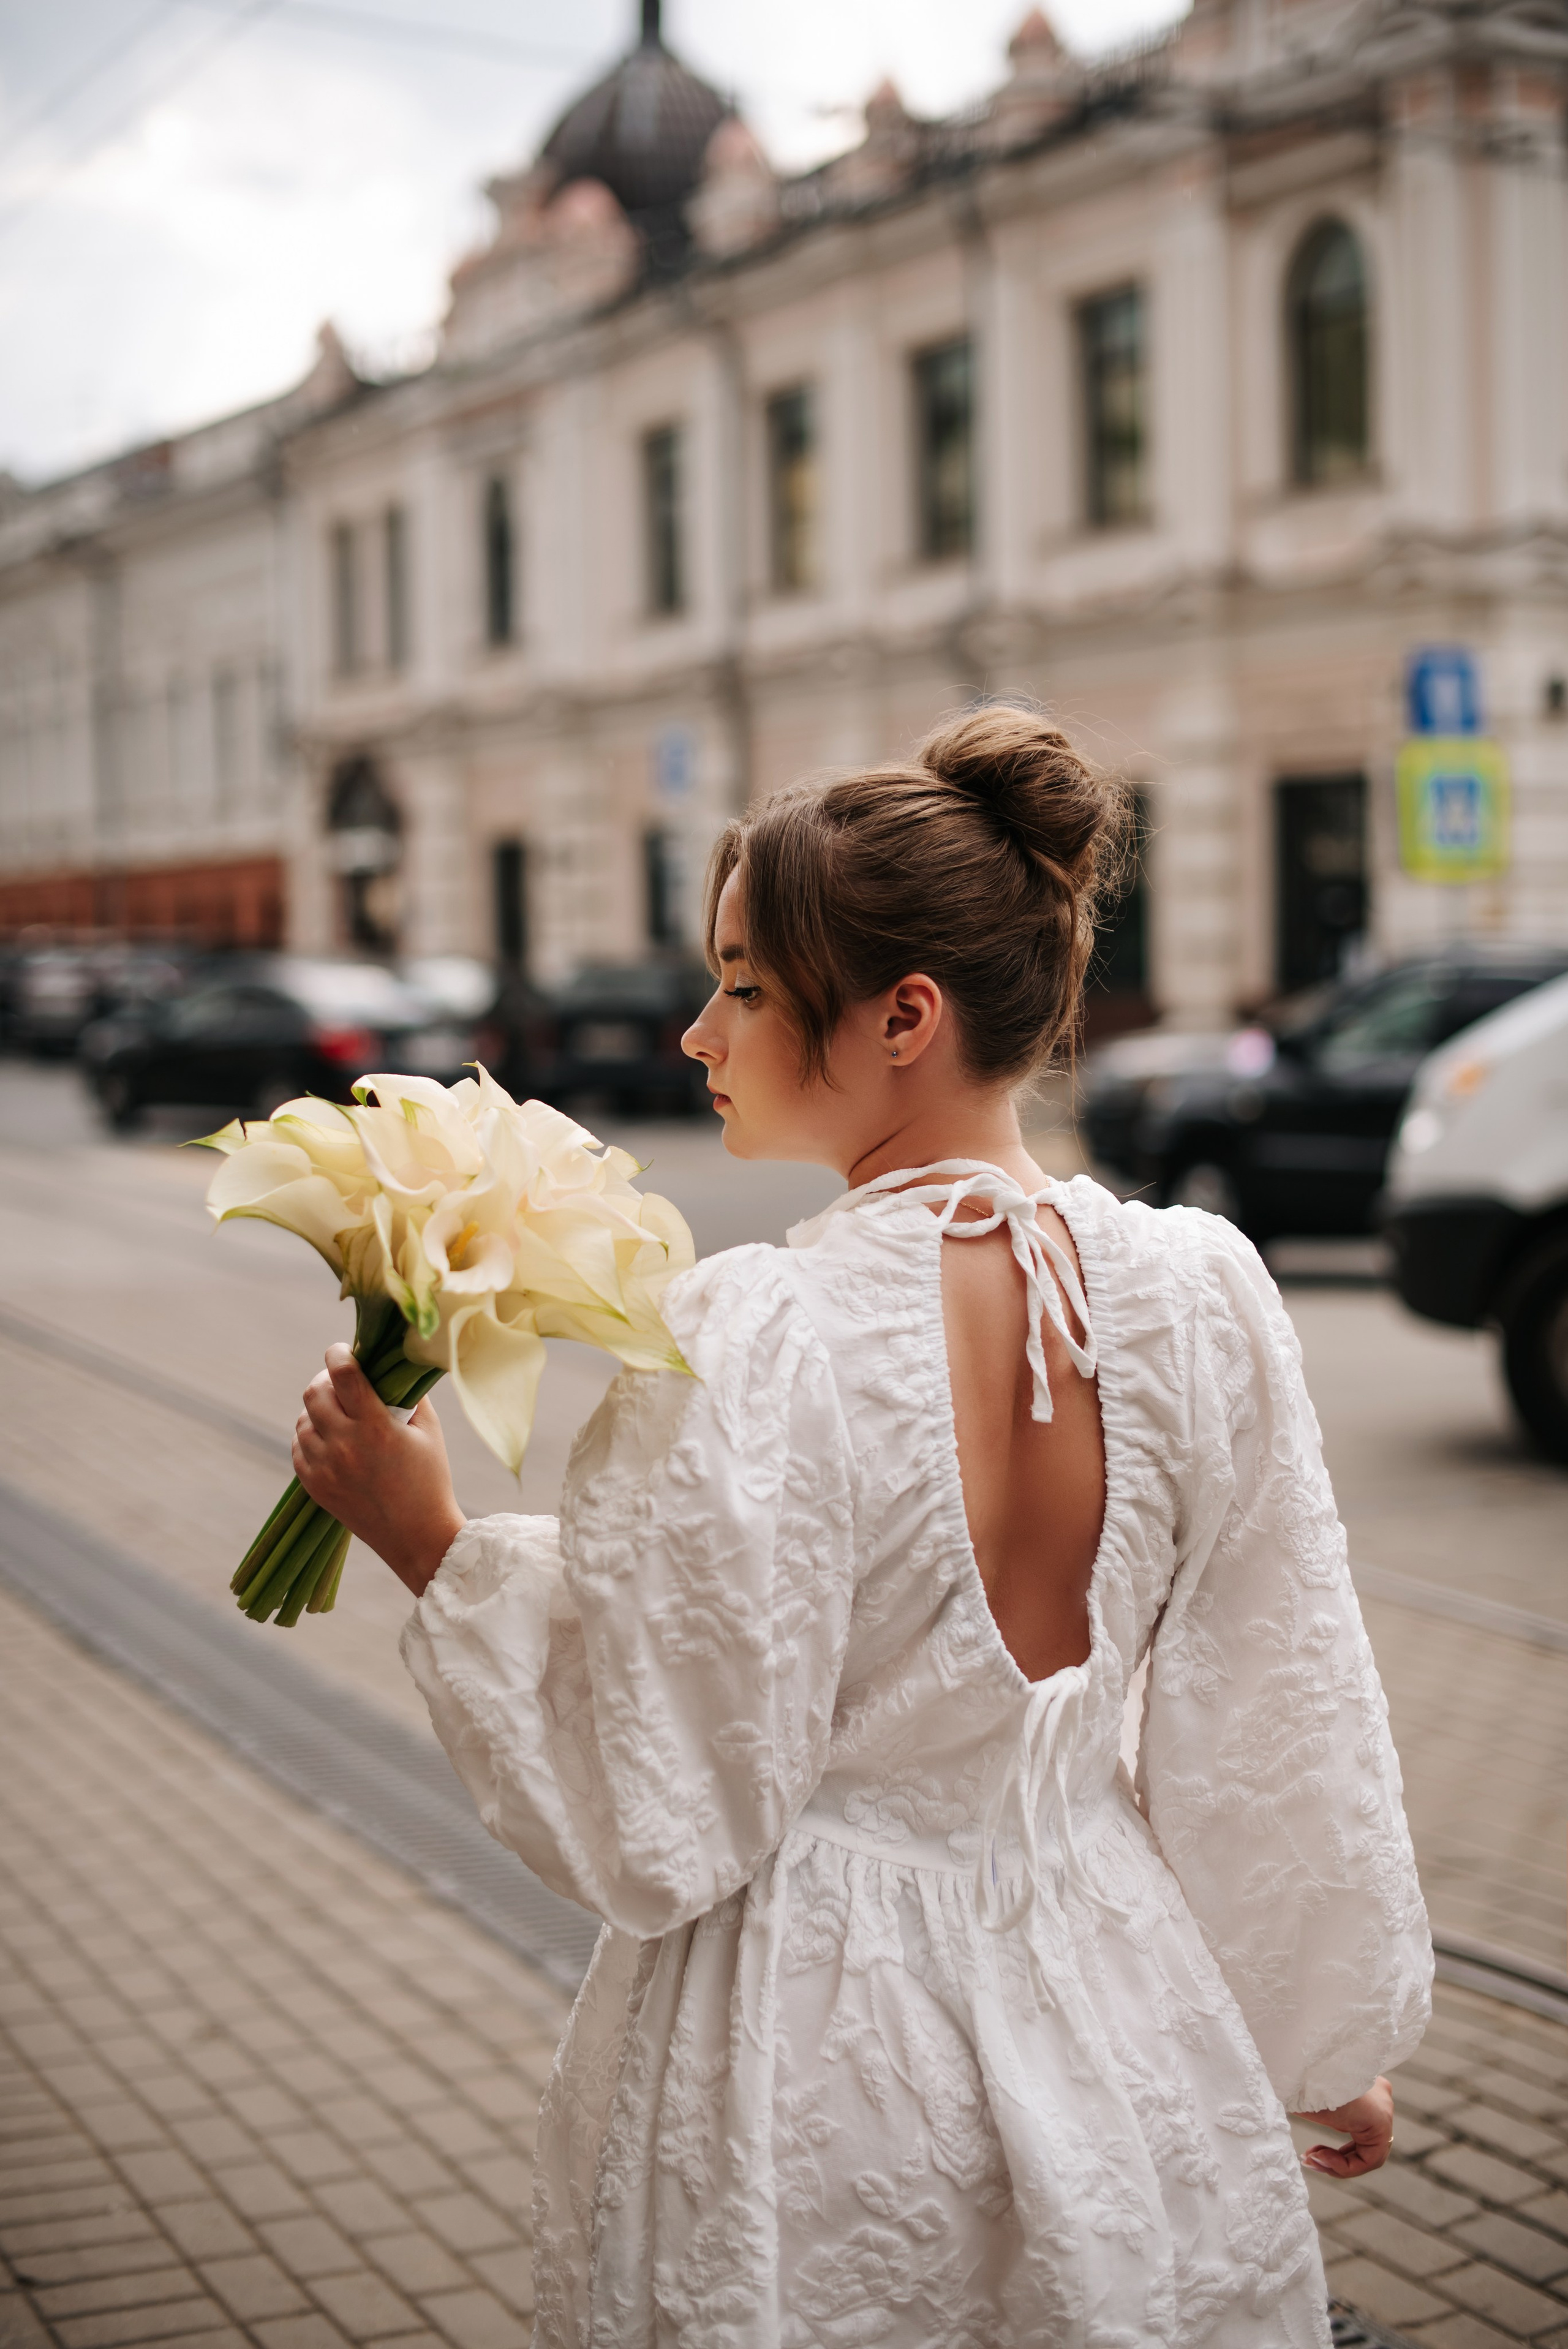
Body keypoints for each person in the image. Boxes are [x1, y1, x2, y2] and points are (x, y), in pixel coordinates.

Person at [292, 706, 1431, 2349]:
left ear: (905, 1015)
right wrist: (1321, 2041)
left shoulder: (758, 1333)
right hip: (1118, 2002)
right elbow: (1282, 1701)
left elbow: (665, 1801)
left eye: (745, 985)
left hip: (819, 2050)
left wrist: (436, 1548)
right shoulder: (1201, 1296)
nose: (699, 1031)